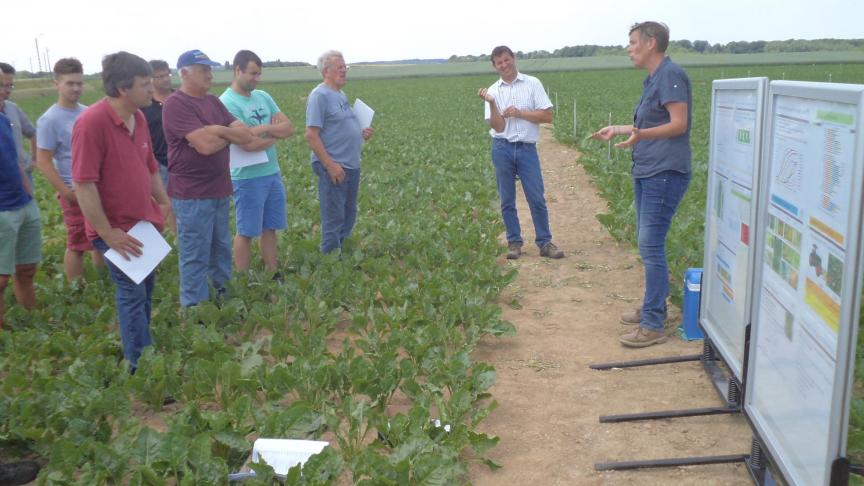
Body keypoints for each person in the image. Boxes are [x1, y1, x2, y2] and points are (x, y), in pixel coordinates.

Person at [591, 21, 692, 348]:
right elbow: (647, 123)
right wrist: (621, 129)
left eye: (633, 42)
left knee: (650, 245)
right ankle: (655, 309)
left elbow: (678, 125)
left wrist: (641, 135)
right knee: (648, 243)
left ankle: (653, 324)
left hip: (665, 171)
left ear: (651, 43)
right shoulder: (654, 78)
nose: (629, 47)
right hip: (649, 169)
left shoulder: (671, 75)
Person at [72, 51, 170, 371]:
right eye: (145, 84)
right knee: (131, 293)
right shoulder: (91, 123)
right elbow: (84, 184)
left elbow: (149, 165)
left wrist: (163, 202)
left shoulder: (138, 117)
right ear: (123, 89)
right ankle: (140, 366)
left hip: (143, 223)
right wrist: (107, 233)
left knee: (146, 288)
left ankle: (143, 349)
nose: (150, 89)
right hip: (115, 229)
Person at [163, 49, 253, 307]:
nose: (209, 75)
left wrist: (216, 130)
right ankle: (194, 309)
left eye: (210, 70)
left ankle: (222, 298)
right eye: (203, 70)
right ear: (184, 73)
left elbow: (245, 135)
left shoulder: (213, 102)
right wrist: (223, 135)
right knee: (194, 254)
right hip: (192, 195)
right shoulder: (176, 104)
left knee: (221, 249)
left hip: (219, 189)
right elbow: (205, 146)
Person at [477, 46, 565, 260]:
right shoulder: (493, 91)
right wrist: (492, 104)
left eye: (507, 60)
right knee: (507, 199)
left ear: (514, 58)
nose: (504, 65)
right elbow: (498, 127)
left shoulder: (532, 83)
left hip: (526, 149)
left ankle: (544, 242)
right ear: (494, 66)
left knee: (536, 197)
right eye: (500, 63)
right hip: (501, 148)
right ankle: (514, 242)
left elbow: (547, 117)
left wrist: (520, 113)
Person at [220, 50, 294, 274]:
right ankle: (243, 277)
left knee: (270, 227)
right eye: (252, 74)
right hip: (247, 177)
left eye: (259, 74)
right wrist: (275, 135)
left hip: (272, 172)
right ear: (238, 70)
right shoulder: (226, 102)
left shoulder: (263, 96)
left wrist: (263, 130)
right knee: (246, 231)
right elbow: (247, 145)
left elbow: (289, 128)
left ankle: (272, 271)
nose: (256, 79)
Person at [36, 58, 104, 281]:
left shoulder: (88, 112)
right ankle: (76, 288)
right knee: (76, 242)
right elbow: (43, 160)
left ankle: (101, 280)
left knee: (100, 237)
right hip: (73, 189)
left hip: (96, 186)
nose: (76, 88)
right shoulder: (49, 119)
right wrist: (66, 192)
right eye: (70, 83)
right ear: (57, 84)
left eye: (79, 83)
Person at [304, 50, 373, 254]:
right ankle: (330, 259)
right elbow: (311, 135)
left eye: (345, 67)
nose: (344, 71)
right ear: (326, 71)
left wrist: (362, 132)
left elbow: (341, 127)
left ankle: (342, 254)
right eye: (339, 68)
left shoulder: (340, 95)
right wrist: (330, 165)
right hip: (335, 165)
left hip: (351, 164)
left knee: (349, 213)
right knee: (334, 216)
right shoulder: (319, 96)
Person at [0, 112, 40, 329]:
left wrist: (28, 191)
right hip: (2, 210)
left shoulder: (4, 120)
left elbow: (13, 158)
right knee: (1, 279)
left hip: (24, 203)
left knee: (26, 269)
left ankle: (30, 324)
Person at [0, 63, 37, 187]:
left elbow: (32, 132)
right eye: (4, 86)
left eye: (11, 85)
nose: (8, 90)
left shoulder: (13, 108)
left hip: (23, 175)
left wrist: (34, 160)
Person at [141, 60, 174, 190]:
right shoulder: (144, 104)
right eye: (160, 76)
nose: (166, 79)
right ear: (150, 79)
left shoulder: (181, 99)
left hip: (184, 164)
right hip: (159, 164)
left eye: (168, 75)